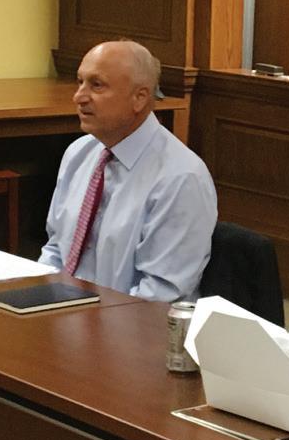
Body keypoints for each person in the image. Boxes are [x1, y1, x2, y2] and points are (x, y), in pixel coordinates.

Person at [39, 40, 217, 302]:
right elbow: (56, 250)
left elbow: (158, 294)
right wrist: (38, 298)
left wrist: (87, 319)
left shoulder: (181, 177)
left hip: (135, 321)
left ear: (139, 98)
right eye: (80, 82)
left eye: (96, 85)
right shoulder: (79, 153)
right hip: (67, 313)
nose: (79, 97)